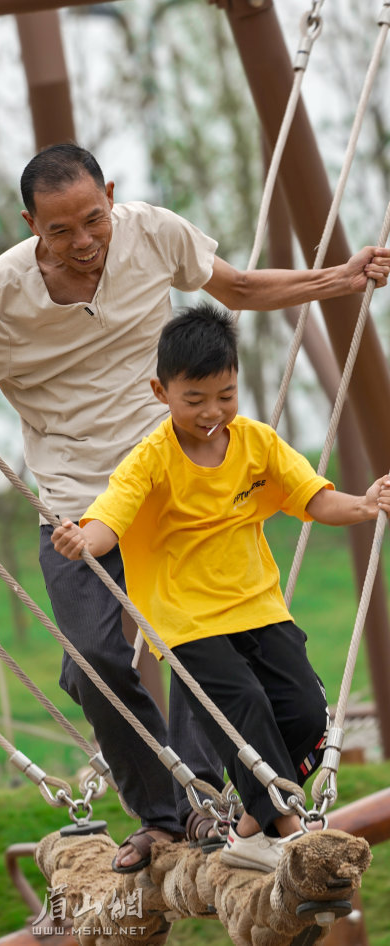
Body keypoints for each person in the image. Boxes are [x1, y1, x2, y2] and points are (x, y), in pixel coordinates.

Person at [0, 143, 390, 872]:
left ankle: (211, 796)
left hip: (171, 487)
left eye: (94, 220)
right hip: (80, 504)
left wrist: (340, 276)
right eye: (60, 231)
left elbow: (237, 288)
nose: (83, 242)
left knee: (211, 649)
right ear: (30, 225)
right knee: (95, 663)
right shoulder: (0, 295)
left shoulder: (152, 232)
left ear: (111, 197)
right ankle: (163, 813)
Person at [51, 304, 390, 873]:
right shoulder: (150, 460)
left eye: (226, 395)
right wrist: (83, 541)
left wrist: (364, 504)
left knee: (307, 714)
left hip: (259, 606)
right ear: (162, 391)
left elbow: (312, 498)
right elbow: (107, 523)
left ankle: (252, 824)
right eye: (195, 399)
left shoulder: (257, 443)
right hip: (188, 622)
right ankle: (284, 831)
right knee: (244, 709)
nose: (213, 412)